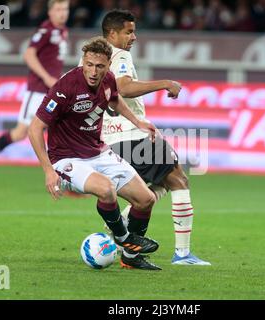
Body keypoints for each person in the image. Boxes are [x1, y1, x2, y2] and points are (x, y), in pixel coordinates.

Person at [28, 36, 162, 271]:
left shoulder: (108, 79)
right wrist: (49, 170)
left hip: (98, 152)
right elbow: (35, 129)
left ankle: (131, 258)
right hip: (66, 159)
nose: (93, 71)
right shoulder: (65, 87)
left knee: (146, 199)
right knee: (106, 189)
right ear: (83, 63)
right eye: (88, 64)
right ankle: (124, 240)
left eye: (99, 66)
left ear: (108, 65)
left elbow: (115, 100)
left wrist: (138, 122)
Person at [101, 9, 211, 266]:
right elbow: (125, 88)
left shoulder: (91, 61)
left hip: (109, 140)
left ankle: (121, 233)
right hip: (132, 137)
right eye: (129, 31)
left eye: (134, 31)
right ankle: (182, 254)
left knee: (153, 190)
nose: (134, 37)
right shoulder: (120, 55)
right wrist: (165, 83)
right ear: (112, 33)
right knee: (180, 179)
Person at [0, 0, 69, 155]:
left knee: (63, 126)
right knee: (20, 132)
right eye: (58, 9)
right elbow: (29, 54)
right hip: (38, 90)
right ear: (50, 12)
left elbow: (52, 61)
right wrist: (47, 77)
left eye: (65, 9)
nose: (62, 13)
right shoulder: (46, 30)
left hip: (52, 92)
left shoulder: (62, 30)